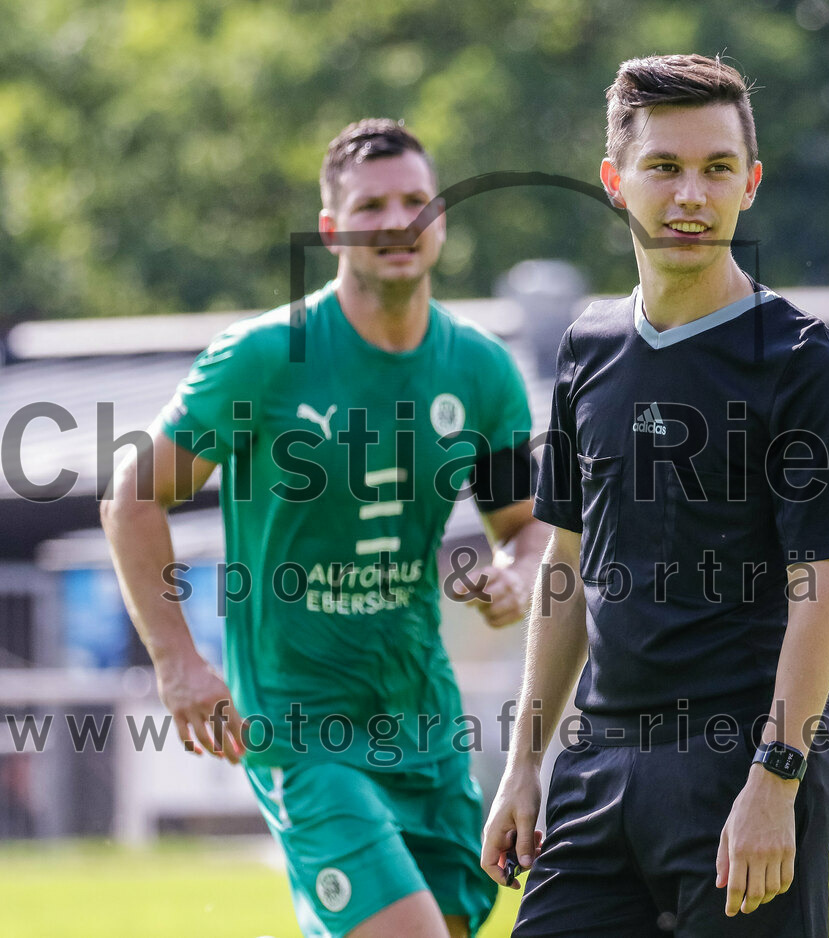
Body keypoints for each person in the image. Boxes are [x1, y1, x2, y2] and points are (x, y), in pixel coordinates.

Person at [102, 118, 548, 938]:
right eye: (373, 205)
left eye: (417, 200)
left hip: (423, 716)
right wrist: (178, 660)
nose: (399, 220)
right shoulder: (266, 358)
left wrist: (518, 573)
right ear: (334, 229)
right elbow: (131, 497)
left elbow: (523, 525)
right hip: (298, 723)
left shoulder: (482, 370)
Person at [481, 54, 829, 937]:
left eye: (716, 169)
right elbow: (567, 566)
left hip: (742, 769)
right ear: (617, 182)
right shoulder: (587, 348)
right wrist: (521, 768)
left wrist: (775, 780)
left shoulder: (801, 360)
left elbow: (827, 588)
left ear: (751, 184)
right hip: (596, 769)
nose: (691, 196)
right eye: (665, 167)